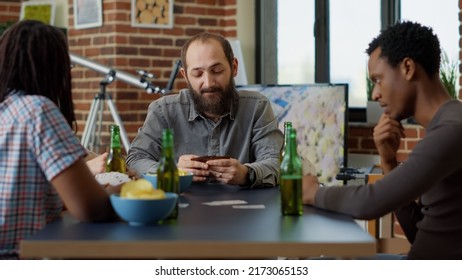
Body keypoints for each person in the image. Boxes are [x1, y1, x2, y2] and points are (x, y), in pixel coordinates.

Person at [303, 21, 462, 259]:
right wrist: (388, 162)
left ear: (408, 68)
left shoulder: (452, 129)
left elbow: (370, 203)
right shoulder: (446, 124)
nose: (375, 94)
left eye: (378, 79)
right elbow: (419, 235)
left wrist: (312, 192)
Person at [0, 20, 117, 259]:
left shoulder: (7, 109)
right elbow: (92, 210)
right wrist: (120, 191)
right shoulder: (37, 110)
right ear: (54, 67)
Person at [126, 32, 283, 187]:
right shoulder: (163, 111)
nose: (208, 83)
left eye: (217, 71)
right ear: (185, 76)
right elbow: (136, 159)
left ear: (234, 67)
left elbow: (275, 161)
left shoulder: (257, 107)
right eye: (197, 74)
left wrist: (246, 174)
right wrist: (172, 171)